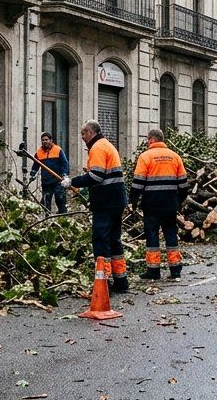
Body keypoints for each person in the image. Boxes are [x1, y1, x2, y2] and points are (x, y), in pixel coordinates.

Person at [62, 120, 129, 292]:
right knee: (114, 240)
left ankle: (104, 282)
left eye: (83, 133)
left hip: (105, 203)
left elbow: (96, 176)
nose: (82, 137)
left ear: (91, 132)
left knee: (101, 240)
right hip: (115, 200)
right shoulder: (107, 145)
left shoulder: (97, 147)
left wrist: (73, 181)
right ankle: (121, 281)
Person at [129, 128, 190, 281]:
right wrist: (178, 202)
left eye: (147, 139)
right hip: (170, 205)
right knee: (171, 235)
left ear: (151, 140)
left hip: (151, 205)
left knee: (152, 236)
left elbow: (137, 183)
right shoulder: (175, 157)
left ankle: (153, 270)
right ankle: (175, 269)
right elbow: (184, 185)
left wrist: (133, 202)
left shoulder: (145, 157)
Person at [29, 132, 70, 214]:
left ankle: (63, 216)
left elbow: (64, 164)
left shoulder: (58, 150)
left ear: (51, 140)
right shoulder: (39, 153)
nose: (44, 141)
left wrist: (64, 174)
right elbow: (35, 165)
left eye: (46, 140)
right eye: (43, 140)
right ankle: (47, 218)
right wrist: (32, 174)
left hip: (58, 180)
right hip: (46, 182)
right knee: (45, 203)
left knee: (60, 200)